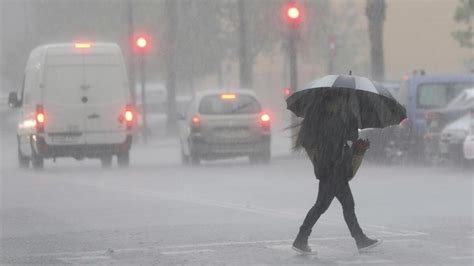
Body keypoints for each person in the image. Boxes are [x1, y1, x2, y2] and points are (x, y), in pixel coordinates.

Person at [292, 92, 382, 255]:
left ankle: (302, 238)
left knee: (334, 205)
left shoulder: (328, 118)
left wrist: (355, 143)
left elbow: (343, 142)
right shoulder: (334, 119)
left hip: (331, 169)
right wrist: (350, 122)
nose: (343, 102)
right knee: (329, 206)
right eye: (342, 99)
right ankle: (302, 238)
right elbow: (347, 138)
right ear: (333, 101)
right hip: (334, 170)